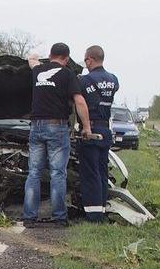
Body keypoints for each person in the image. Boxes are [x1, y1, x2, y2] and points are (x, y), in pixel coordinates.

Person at [22, 43, 97, 227]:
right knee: (57, 173)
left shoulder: (38, 71)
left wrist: (38, 58)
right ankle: (59, 218)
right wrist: (87, 127)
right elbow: (79, 100)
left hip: (36, 127)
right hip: (57, 127)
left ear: (50, 55)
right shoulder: (67, 74)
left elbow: (31, 60)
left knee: (34, 173)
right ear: (66, 58)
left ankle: (29, 218)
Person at [77, 46, 119, 223]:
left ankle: (93, 216)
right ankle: (101, 209)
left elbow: (81, 103)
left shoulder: (84, 80)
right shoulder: (113, 79)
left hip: (91, 130)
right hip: (105, 130)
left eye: (86, 60)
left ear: (89, 59)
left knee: (90, 172)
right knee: (102, 171)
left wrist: (85, 127)